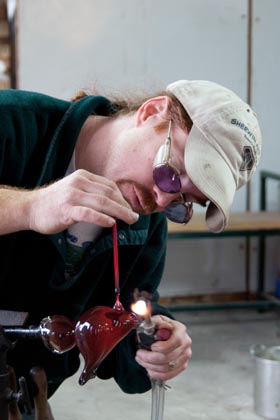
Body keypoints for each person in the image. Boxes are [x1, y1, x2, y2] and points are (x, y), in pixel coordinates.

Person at [0, 79, 262, 419]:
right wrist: (28, 207)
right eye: (171, 173)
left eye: (184, 201)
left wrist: (153, 340)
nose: (163, 198)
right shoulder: (12, 123)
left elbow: (122, 333)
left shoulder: (145, 224)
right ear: (152, 112)